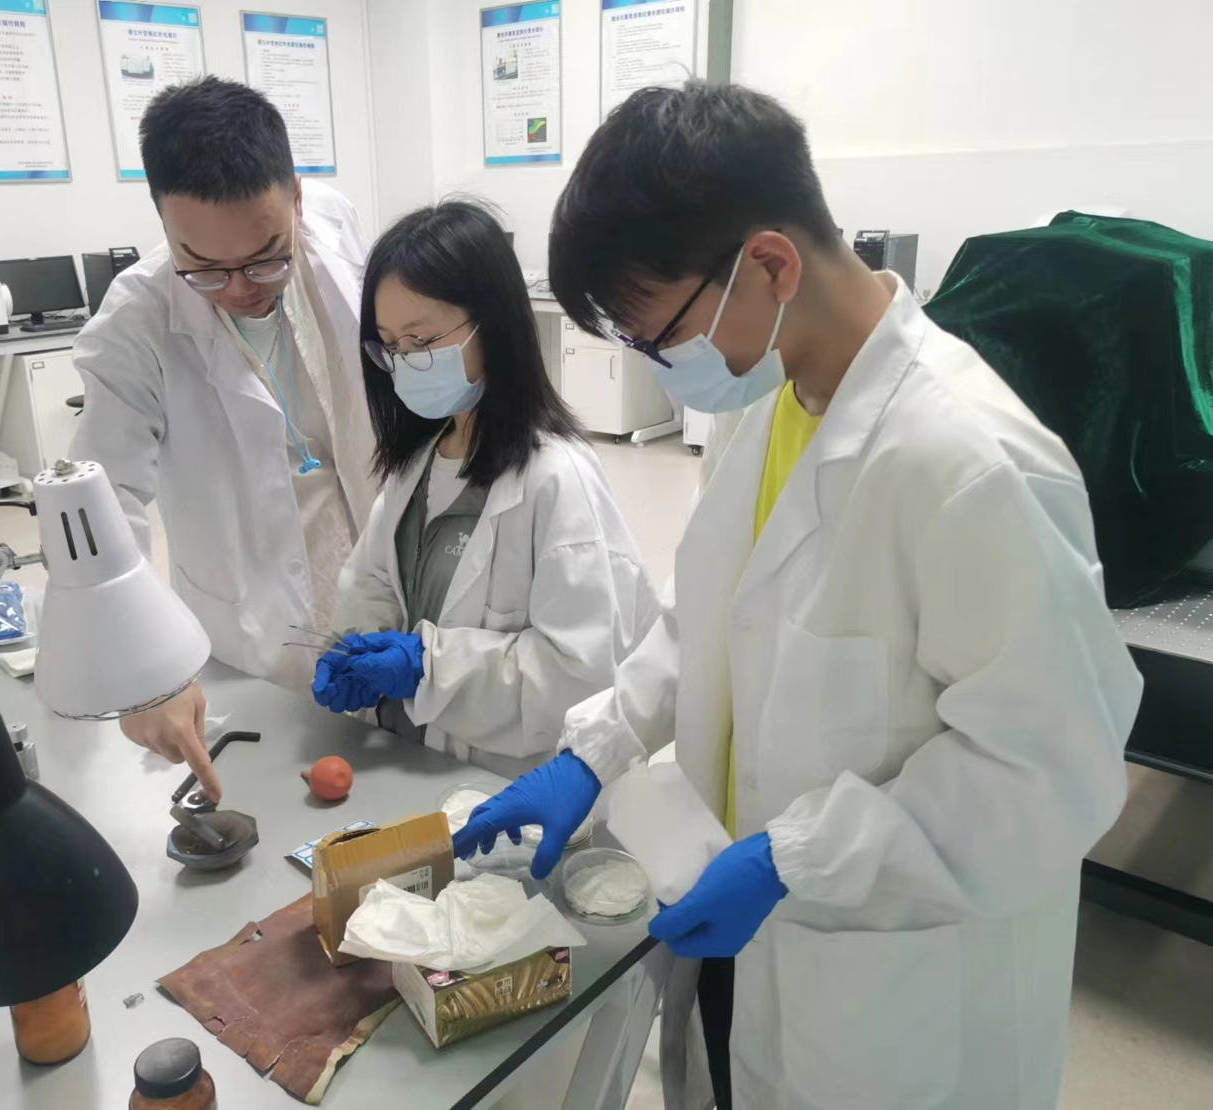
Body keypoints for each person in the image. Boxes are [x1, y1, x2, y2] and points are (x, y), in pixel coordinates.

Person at [454, 81, 1143, 1109]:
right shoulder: (769, 402)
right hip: (746, 944)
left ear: (770, 264)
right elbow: (706, 624)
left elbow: (1051, 771)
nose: (660, 368)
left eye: (659, 336)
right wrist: (591, 753)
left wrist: (797, 860)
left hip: (896, 992)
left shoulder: (971, 465)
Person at [72, 78, 378, 800]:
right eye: (205, 269)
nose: (241, 287)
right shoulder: (135, 324)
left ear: (297, 199)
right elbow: (101, 503)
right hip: (253, 617)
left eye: (268, 257)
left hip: (367, 554)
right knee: (283, 792)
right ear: (162, 220)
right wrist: (146, 670)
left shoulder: (334, 225)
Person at [311, 201, 659, 778]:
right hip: (404, 761)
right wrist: (355, 646)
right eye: (389, 346)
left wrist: (428, 668)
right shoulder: (416, 463)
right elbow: (375, 580)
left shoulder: (557, 479)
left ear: (490, 325)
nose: (403, 363)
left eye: (421, 340)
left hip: (498, 785)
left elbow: (582, 675)